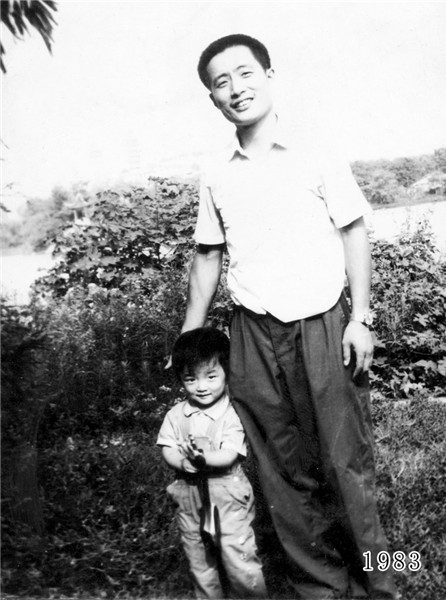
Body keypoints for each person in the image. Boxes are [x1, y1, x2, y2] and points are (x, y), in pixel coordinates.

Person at [176, 33, 398, 600]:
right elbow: (207, 255)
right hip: (251, 330)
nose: (236, 88)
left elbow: (354, 231)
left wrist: (362, 317)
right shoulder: (216, 173)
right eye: (221, 82)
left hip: (323, 322)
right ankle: (320, 583)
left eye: (245, 74)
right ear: (213, 100)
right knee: (279, 466)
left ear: (269, 76)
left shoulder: (316, 150)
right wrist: (189, 338)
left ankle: (385, 578)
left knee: (345, 460)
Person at [157, 327, 267, 599]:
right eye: (190, 379)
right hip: (188, 496)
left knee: (238, 556)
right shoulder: (176, 414)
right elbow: (168, 447)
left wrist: (203, 458)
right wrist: (183, 463)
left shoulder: (233, 413)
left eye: (211, 376)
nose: (201, 386)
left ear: (227, 372)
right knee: (198, 559)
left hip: (226, 495)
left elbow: (229, 454)